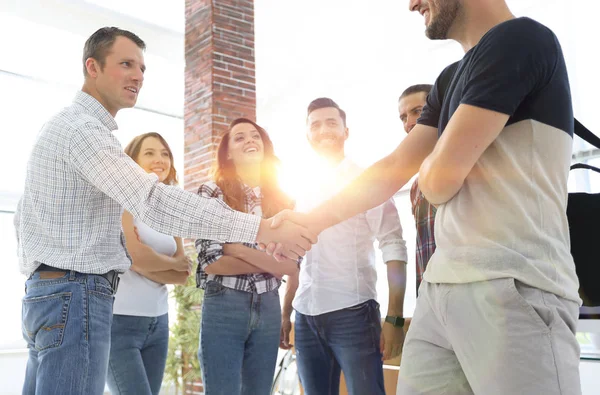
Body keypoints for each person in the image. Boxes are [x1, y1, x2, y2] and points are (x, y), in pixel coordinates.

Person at [269, 1, 582, 394]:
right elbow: (398, 164)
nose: (412, 3)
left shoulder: (521, 39)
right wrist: (309, 223)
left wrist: (436, 165)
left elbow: (437, 183)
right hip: (440, 292)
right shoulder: (450, 79)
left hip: (514, 284)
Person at [15, 27, 314, 395]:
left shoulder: (69, 128)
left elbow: (22, 222)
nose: (138, 75)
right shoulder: (83, 131)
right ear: (92, 67)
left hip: (52, 294)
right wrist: (263, 228)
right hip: (74, 296)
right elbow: (155, 202)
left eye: (142, 67)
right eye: (126, 64)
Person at [280, 98, 408, 395]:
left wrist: (395, 316)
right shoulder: (302, 186)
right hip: (306, 315)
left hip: (354, 314)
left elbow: (393, 244)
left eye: (331, 122)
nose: (323, 129)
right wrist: (286, 312)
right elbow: (298, 256)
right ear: (307, 135)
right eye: (315, 124)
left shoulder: (368, 180)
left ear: (346, 131)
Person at [196, 118, 300, 395]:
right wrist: (269, 261)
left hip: (268, 308)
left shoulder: (285, 201)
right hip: (224, 306)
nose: (249, 141)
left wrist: (237, 248)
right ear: (228, 153)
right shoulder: (212, 192)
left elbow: (291, 266)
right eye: (239, 138)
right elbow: (212, 262)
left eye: (254, 136)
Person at [106, 132, 191, 395]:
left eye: (165, 153)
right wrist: (168, 263)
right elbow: (135, 255)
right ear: (133, 160)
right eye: (150, 153)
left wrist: (143, 264)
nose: (160, 159)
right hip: (121, 321)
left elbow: (183, 274)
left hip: (158, 321)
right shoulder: (123, 200)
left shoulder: (169, 210)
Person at [398, 84, 436, 293]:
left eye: (417, 111)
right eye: (403, 117)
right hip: (430, 294)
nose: (409, 123)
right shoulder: (415, 186)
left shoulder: (468, 166)